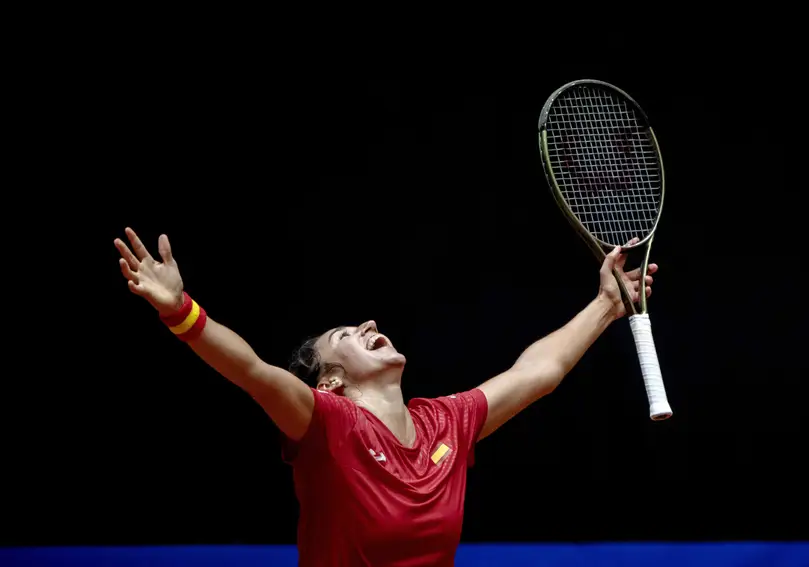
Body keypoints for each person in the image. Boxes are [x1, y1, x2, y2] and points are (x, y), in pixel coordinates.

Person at [114, 227, 656, 566]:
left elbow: (538, 371)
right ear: (330, 382)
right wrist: (180, 311)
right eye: (346, 335)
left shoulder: (447, 423)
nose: (369, 323)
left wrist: (608, 305)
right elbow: (252, 370)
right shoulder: (324, 422)